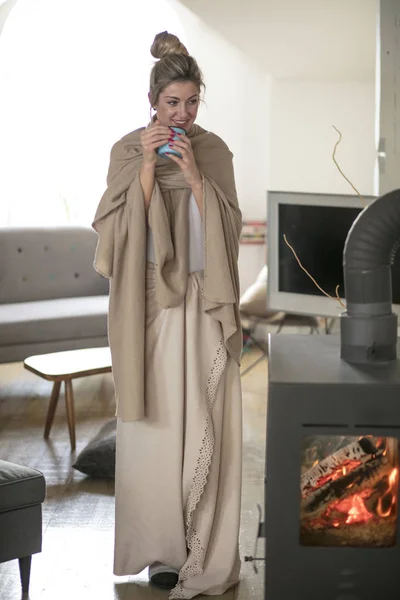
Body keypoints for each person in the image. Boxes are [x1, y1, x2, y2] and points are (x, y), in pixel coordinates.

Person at [92, 31, 243, 599]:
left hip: (204, 302)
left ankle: (202, 544)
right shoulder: (127, 152)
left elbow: (227, 235)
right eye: (172, 102)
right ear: (153, 100)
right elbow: (116, 240)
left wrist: (198, 182)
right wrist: (150, 175)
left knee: (203, 418)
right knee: (155, 426)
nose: (182, 113)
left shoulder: (215, 151)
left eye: (192, 102)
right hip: (152, 305)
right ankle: (160, 551)